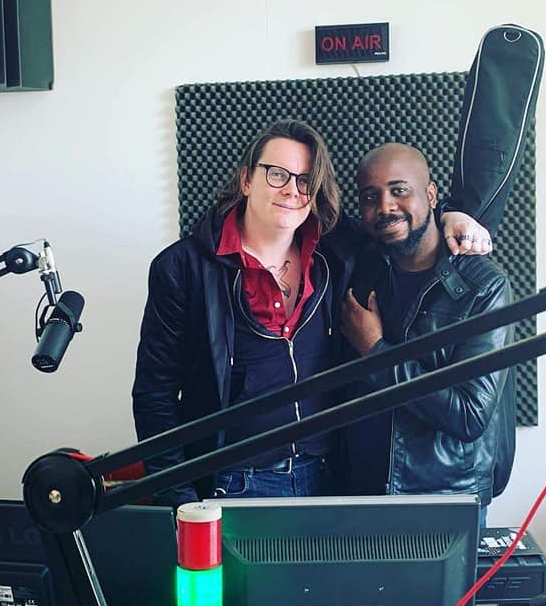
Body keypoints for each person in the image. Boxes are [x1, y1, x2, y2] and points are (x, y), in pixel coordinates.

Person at [132, 120, 493, 506]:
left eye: (305, 180)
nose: (292, 190)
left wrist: (450, 215)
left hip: (331, 478)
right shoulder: (183, 267)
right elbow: (156, 393)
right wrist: (177, 498)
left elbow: (399, 221)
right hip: (233, 483)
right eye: (276, 174)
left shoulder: (336, 249)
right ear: (246, 180)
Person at [340, 142, 516, 524]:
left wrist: (376, 352)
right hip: (362, 495)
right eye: (370, 197)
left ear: (431, 195)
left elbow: (469, 415)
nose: (385, 207)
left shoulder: (483, 288)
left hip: (443, 501)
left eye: (399, 190)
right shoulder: (366, 266)